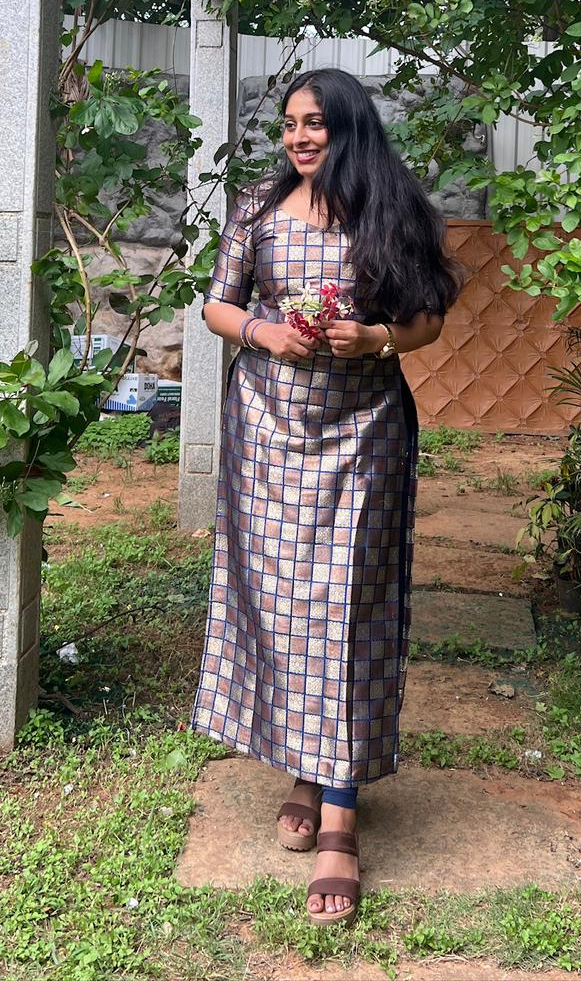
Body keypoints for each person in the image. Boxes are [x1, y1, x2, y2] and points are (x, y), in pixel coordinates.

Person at [189, 67, 463, 927]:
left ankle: (340, 814)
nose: (300, 138)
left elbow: (429, 318)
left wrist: (375, 337)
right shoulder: (258, 208)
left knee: (349, 604)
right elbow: (217, 307)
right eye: (290, 125)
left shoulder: (391, 208)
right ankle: (305, 768)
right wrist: (265, 331)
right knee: (282, 603)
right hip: (266, 433)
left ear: (349, 128)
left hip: (363, 436)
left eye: (315, 124)